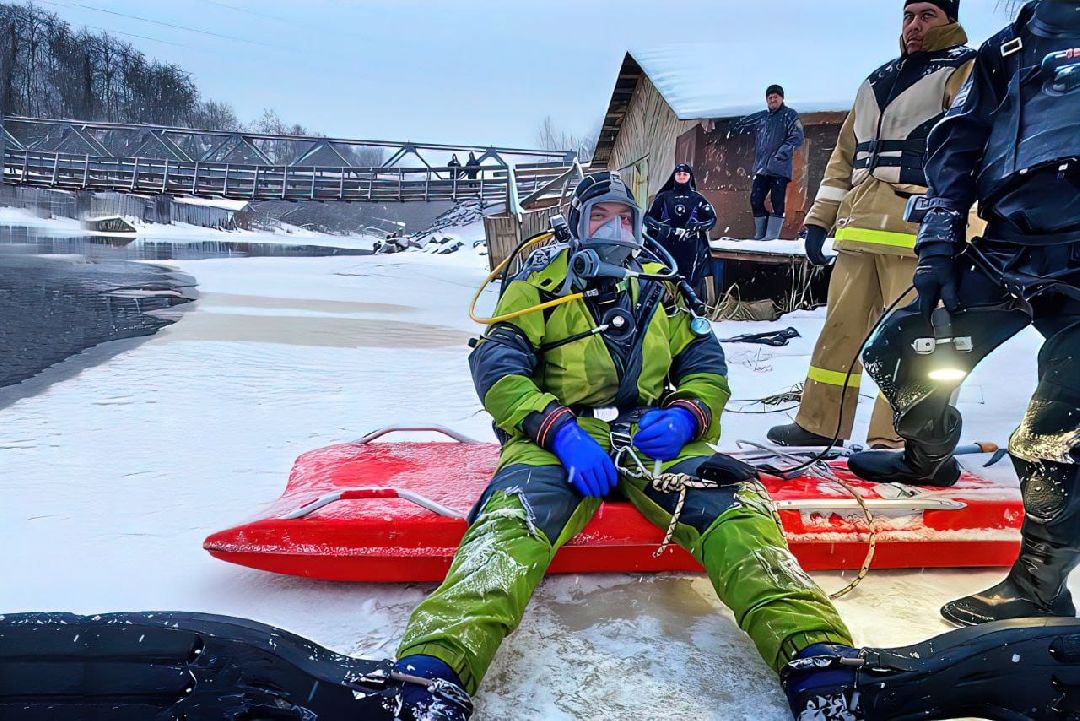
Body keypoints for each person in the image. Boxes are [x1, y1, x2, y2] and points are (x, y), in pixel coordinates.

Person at [386, 173, 1080, 721]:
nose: (615, 229)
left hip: (654, 434)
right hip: (557, 439)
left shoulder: (660, 286)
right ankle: (433, 673)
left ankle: (821, 662)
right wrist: (555, 429)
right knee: (508, 528)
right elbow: (498, 365)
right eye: (601, 217)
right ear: (575, 224)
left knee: (740, 518)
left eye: (624, 217)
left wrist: (689, 416)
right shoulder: (534, 288)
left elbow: (705, 362)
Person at [847, 0, 1080, 628]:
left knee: (1058, 432)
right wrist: (939, 245)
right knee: (899, 349)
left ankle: (1038, 586)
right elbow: (956, 143)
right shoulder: (1009, 48)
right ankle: (930, 456)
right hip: (1009, 247)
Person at [767, 0, 976, 450]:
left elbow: (973, 153)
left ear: (951, 20)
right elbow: (843, 156)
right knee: (838, 335)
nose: (914, 25)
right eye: (908, 15)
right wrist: (819, 220)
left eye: (927, 15)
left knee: (915, 342)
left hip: (920, 236)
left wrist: (960, 226)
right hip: (859, 232)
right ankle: (820, 423)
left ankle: (901, 439)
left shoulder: (966, 72)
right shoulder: (876, 80)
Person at [740, 85, 805, 240]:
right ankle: (760, 234)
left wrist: (780, 153)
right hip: (761, 168)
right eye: (769, 97)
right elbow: (742, 123)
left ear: (782, 98)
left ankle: (771, 236)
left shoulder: (789, 115)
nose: (772, 100)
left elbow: (798, 137)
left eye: (775, 97)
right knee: (755, 200)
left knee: (777, 202)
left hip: (779, 168)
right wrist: (720, 125)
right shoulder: (762, 117)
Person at [644, 162, 718, 291]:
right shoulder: (663, 197)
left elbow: (712, 220)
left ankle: (685, 306)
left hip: (689, 246)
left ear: (690, 176)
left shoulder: (697, 198)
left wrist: (698, 226)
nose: (682, 176)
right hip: (665, 245)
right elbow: (647, 219)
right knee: (664, 276)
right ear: (674, 176)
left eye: (685, 174)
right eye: (679, 174)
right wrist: (661, 227)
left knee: (686, 279)